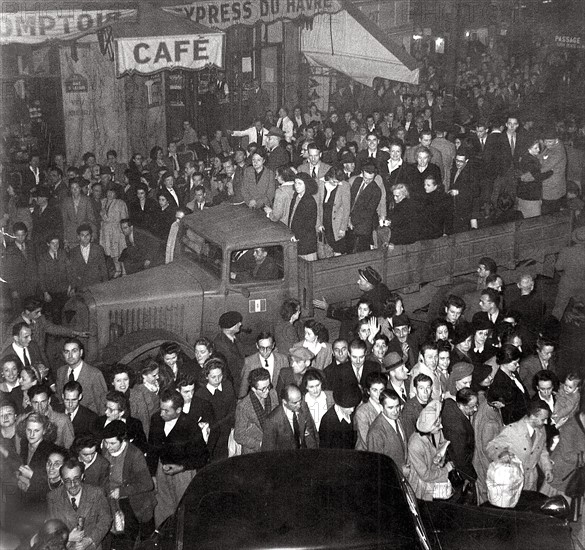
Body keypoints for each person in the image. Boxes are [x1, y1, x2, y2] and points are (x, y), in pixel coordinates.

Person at [147, 388, 208, 527]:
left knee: (184, 511)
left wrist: (181, 467)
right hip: (161, 470)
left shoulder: (190, 425)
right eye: (161, 409)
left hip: (184, 474)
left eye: (166, 411)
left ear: (178, 410)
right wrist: (152, 475)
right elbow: (152, 449)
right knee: (162, 511)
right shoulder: (156, 419)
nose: (162, 413)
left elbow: (203, 457)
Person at [101, 420, 156, 547]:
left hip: (132, 503)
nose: (108, 447)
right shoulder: (106, 447)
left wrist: (122, 491)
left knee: (129, 541)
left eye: (112, 443)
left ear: (123, 440)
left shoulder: (135, 455)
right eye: (106, 442)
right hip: (113, 501)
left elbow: (148, 484)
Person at [487, 400, 553, 491]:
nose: (546, 422)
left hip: (531, 482)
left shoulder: (541, 430)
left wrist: (547, 469)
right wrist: (502, 454)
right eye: (543, 419)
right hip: (513, 482)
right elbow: (492, 447)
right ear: (533, 417)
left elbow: (542, 451)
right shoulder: (512, 430)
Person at [47, 458, 112, 550]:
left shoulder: (96, 493)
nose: (73, 485)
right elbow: (51, 530)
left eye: (76, 479)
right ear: (61, 480)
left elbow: (105, 520)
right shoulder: (53, 497)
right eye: (67, 481)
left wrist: (90, 540)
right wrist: (67, 538)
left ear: (82, 477)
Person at [407, 399, 454, 501]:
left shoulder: (435, 432)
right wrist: (446, 469)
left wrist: (440, 459)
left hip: (435, 477)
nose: (441, 426)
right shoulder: (415, 445)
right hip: (423, 488)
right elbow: (425, 475)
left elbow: (441, 445)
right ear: (428, 427)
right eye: (437, 425)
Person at [194, 357, 236, 461]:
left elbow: (233, 410)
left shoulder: (228, 386)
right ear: (206, 376)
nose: (217, 380)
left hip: (228, 434)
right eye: (213, 377)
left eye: (220, 376)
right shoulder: (200, 394)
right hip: (212, 438)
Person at [56, 338, 107, 415]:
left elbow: (103, 405)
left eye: (74, 351)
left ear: (81, 352)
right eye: (67, 352)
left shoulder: (95, 374)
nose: (70, 355)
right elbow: (60, 399)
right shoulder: (61, 371)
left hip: (89, 421)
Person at [261, 384, 319, 451]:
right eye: (295, 403)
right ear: (284, 401)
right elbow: (267, 450)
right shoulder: (272, 421)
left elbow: (311, 432)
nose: (299, 405)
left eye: (300, 400)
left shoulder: (303, 406)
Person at [234, 368, 279, 454]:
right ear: (253, 389)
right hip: (253, 452)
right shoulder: (243, 406)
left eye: (268, 386)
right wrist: (260, 444)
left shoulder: (273, 394)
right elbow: (239, 435)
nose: (267, 391)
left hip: (273, 446)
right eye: (263, 389)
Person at [441, 387, 478, 484]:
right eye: (471, 407)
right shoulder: (458, 428)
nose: (475, 409)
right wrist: (472, 476)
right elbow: (460, 458)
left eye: (476, 405)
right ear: (461, 405)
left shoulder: (449, 403)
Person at [238, 332, 287, 399]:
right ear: (257, 346)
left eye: (269, 347)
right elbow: (244, 387)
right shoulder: (249, 361)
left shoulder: (283, 359)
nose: (265, 351)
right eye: (262, 348)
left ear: (273, 345)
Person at [347, 163, 382, 253]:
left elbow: (368, 213)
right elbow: (350, 200)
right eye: (365, 178)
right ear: (362, 173)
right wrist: (347, 218)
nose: (366, 181)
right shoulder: (357, 181)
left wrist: (352, 222)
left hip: (362, 227)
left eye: (370, 179)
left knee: (358, 253)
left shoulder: (376, 191)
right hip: (349, 222)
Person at [490, 344, 529, 425]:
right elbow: (509, 410)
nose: (518, 365)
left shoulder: (513, 372)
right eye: (515, 363)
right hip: (516, 423)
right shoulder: (500, 382)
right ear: (504, 362)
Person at [552, 226, 585, 319]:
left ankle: (552, 329)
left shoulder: (566, 251)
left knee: (558, 309)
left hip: (567, 285)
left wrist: (563, 275)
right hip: (583, 285)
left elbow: (558, 267)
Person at [317, 166, 351, 256]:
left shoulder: (344, 186)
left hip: (337, 225)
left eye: (338, 182)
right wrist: (319, 223)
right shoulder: (320, 183)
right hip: (324, 222)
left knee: (338, 250)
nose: (336, 184)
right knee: (324, 249)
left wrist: (343, 228)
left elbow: (346, 209)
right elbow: (318, 205)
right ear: (329, 177)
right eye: (334, 181)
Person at [27, 384, 74, 448]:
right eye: (36, 403)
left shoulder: (62, 421)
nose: (39, 407)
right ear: (30, 402)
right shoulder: (25, 420)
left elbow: (71, 447)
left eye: (43, 402)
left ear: (49, 400)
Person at [319, 384, 362, 449]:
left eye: (354, 406)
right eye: (348, 407)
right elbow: (325, 448)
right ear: (339, 404)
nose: (352, 410)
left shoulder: (349, 412)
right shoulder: (328, 420)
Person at [288, 172, 318, 261]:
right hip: (295, 238)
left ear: (306, 185)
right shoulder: (296, 196)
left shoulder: (309, 201)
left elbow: (309, 224)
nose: (296, 186)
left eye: (300, 183)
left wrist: (297, 236)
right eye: (295, 183)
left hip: (305, 241)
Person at [448, 149, 480, 232]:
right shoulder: (455, 168)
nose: (458, 163)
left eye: (461, 161)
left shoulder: (471, 173)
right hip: (456, 206)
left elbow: (476, 191)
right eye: (457, 160)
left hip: (465, 208)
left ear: (467, 160)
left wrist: (459, 192)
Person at [128, 360, 161, 439]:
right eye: (154, 375)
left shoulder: (155, 385)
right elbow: (143, 418)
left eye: (157, 374)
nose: (158, 377)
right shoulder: (140, 391)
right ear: (144, 376)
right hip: (150, 428)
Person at [61, 180, 97, 249]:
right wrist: (64, 238)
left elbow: (91, 218)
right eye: (72, 188)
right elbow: (64, 220)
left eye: (76, 187)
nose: (75, 190)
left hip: (84, 233)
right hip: (71, 235)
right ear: (70, 189)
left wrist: (93, 234)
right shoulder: (66, 201)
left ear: (80, 188)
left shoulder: (86, 200)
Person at [213, 311, 245, 385]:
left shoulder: (234, 337)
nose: (240, 324)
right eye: (238, 323)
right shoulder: (220, 344)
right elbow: (235, 365)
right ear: (230, 326)